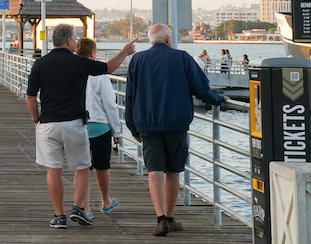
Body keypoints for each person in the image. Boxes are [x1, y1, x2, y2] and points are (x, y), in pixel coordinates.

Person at [25, 23, 136, 229]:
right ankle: (78, 208)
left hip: (48, 124)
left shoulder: (40, 64)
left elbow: (30, 96)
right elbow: (108, 68)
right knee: (83, 166)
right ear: (68, 41)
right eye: (75, 38)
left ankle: (59, 216)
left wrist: (36, 120)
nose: (76, 42)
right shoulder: (77, 63)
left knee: (53, 169)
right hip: (74, 123)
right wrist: (124, 51)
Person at [126, 24, 226, 236]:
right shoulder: (182, 58)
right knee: (173, 171)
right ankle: (170, 218)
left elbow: (130, 96)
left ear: (151, 40)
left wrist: (132, 126)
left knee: (154, 171)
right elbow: (202, 90)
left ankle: (160, 218)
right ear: (168, 40)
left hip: (148, 124)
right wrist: (218, 99)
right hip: (176, 124)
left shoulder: (137, 60)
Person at [75, 38, 121, 217]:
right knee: (102, 166)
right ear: (93, 53)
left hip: (78, 124)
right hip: (100, 125)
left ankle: (84, 207)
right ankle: (105, 200)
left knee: (82, 168)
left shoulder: (73, 72)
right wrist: (116, 130)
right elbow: (110, 104)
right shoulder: (100, 75)